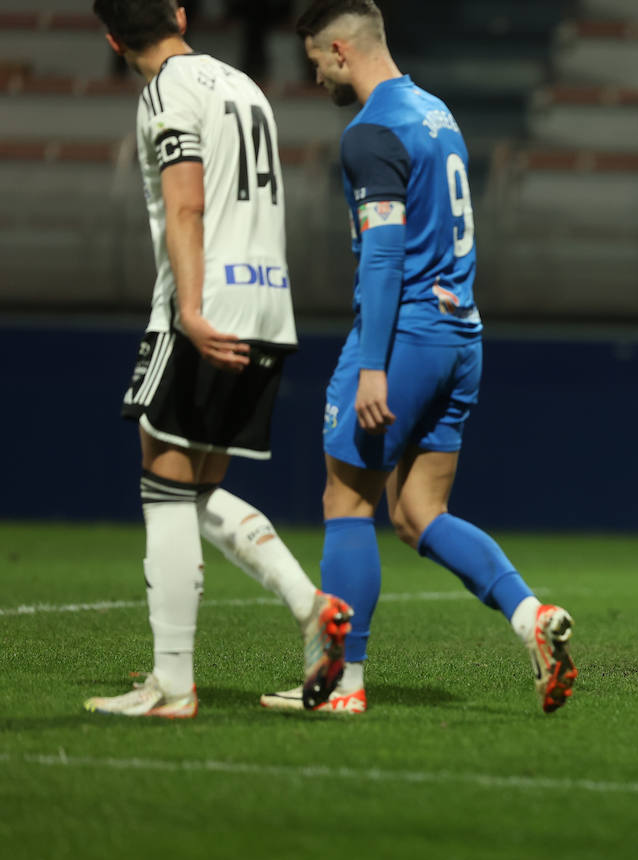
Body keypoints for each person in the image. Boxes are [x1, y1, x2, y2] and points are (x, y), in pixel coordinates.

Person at [264, 0, 576, 715]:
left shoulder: (370, 130)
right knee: (418, 511)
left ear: (341, 50)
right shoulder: (437, 113)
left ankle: (342, 684)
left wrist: (372, 364)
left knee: (346, 500)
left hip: (403, 338)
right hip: (462, 334)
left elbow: (382, 251)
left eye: (315, 61)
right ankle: (532, 618)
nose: (315, 76)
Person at [85, 0, 353, 718]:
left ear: (112, 39)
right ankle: (309, 607)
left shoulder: (168, 91)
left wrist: (191, 312)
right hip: (268, 304)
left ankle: (172, 684)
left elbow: (187, 205)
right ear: (177, 11)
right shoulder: (242, 83)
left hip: (206, 306)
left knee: (164, 488)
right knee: (194, 490)